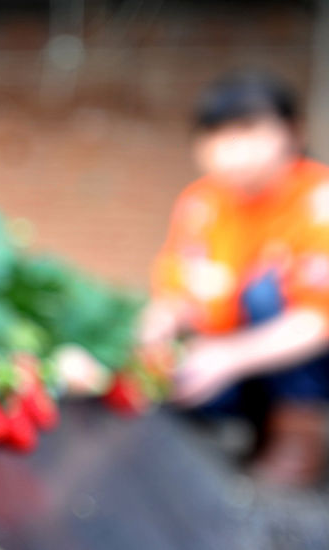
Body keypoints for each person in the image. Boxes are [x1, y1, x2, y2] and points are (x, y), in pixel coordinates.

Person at [139, 70, 329, 487]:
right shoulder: (201, 203)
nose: (232, 150)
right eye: (218, 134)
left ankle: (299, 433)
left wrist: (227, 356)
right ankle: (257, 429)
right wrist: (160, 324)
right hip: (235, 352)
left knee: (264, 291)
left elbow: (319, 321)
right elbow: (176, 287)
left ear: (293, 133)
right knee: (179, 375)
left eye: (248, 130)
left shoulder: (319, 200)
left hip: (298, 356)